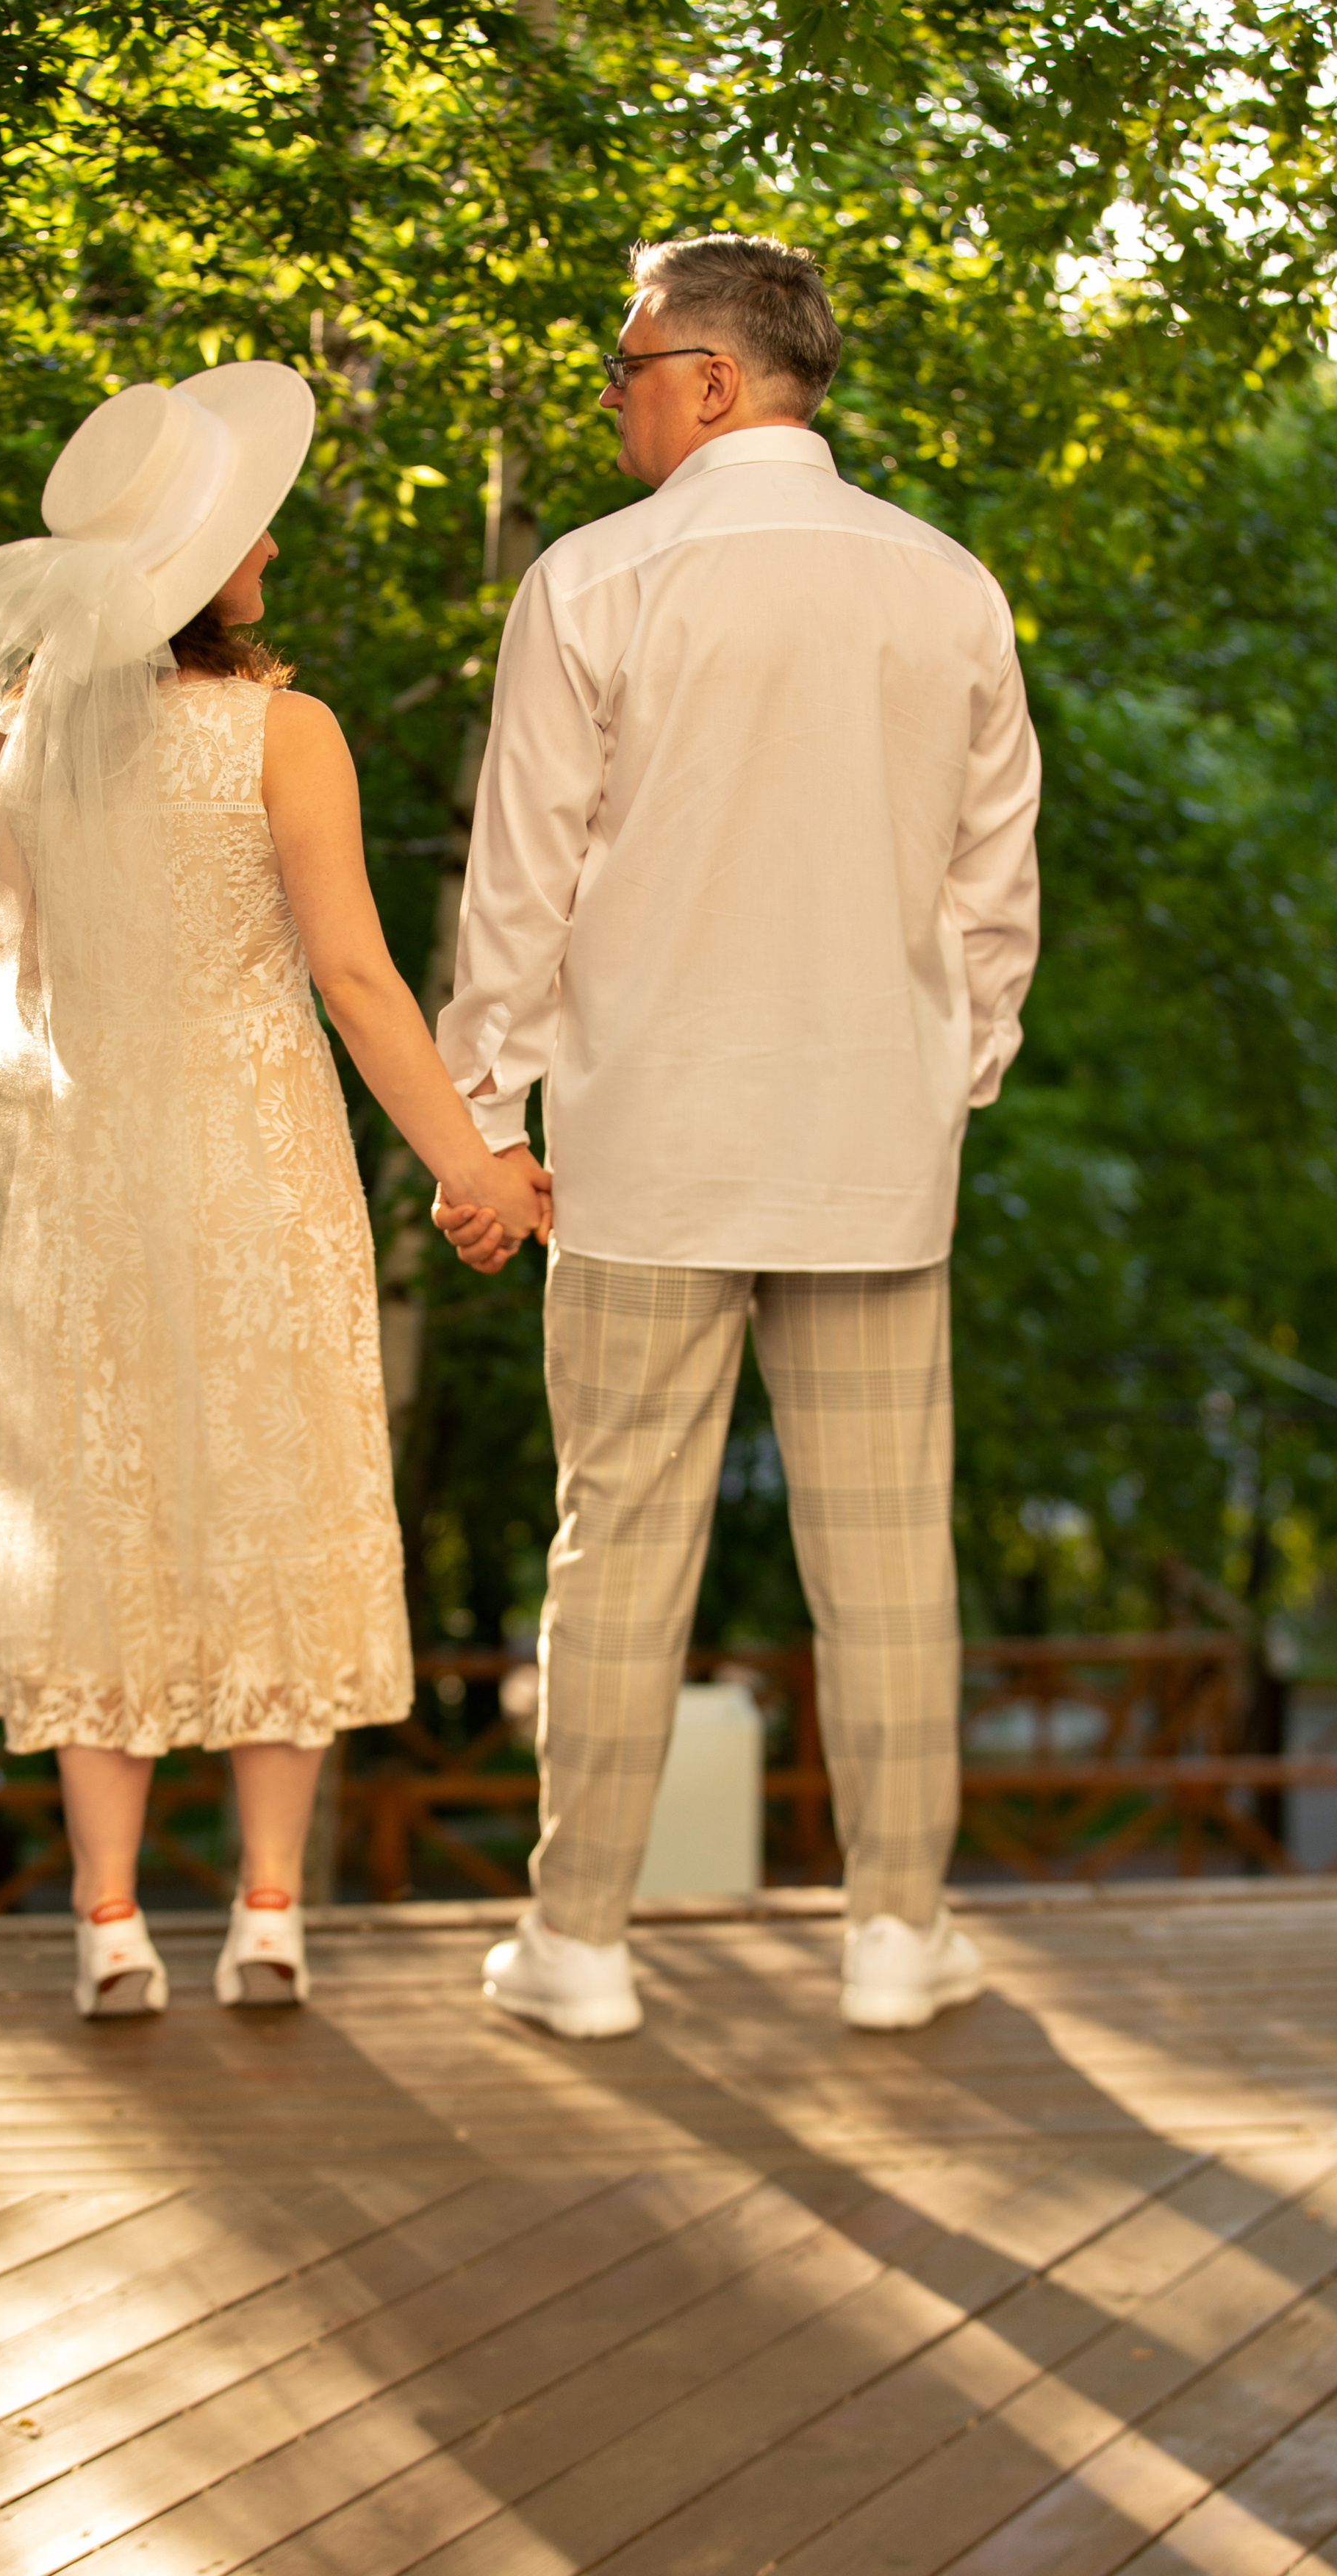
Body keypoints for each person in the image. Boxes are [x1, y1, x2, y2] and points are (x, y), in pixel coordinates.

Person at [434, 234, 1042, 2039]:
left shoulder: (592, 580)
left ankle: (578, 1945)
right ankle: (894, 1933)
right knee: (887, 1559)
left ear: (708, 380)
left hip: (645, 1146)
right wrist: (942, 1082)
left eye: (622, 368)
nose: (608, 400)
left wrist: (484, 1123)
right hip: (871, 1151)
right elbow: (992, 891)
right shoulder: (946, 587)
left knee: (616, 1550)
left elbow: (519, 885)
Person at [0, 367, 549, 2018]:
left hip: (85, 1175)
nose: (267, 547)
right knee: (280, 1496)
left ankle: (111, 1923)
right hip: (257, 1164)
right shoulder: (284, 731)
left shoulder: (39, 731)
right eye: (248, 529)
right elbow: (354, 975)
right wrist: (472, 1168)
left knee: (99, 1509)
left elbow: (23, 942)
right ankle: (266, 1914)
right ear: (196, 567)